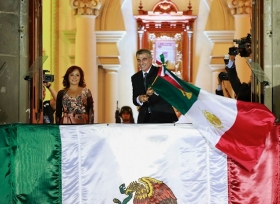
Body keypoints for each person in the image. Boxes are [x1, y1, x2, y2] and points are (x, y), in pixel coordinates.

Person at [131, 49, 178, 123]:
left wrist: (155, 91)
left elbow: (169, 92)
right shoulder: (135, 77)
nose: (141, 63)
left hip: (164, 117)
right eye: (139, 60)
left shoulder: (160, 72)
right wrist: (139, 99)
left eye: (144, 59)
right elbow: (134, 100)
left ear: (151, 60)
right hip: (144, 119)